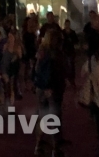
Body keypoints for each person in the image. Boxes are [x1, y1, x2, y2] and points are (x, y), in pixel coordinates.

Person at [34, 28, 66, 156]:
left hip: (42, 88)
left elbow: (36, 69)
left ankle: (38, 145)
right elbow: (57, 72)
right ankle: (55, 148)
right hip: (52, 88)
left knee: (43, 116)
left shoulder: (42, 51)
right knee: (54, 117)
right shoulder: (55, 53)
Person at [62, 19, 78, 85]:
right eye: (66, 24)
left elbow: (76, 41)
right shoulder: (62, 32)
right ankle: (67, 79)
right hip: (64, 50)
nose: (67, 25)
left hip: (71, 50)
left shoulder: (72, 33)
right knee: (65, 65)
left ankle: (71, 79)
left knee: (71, 65)